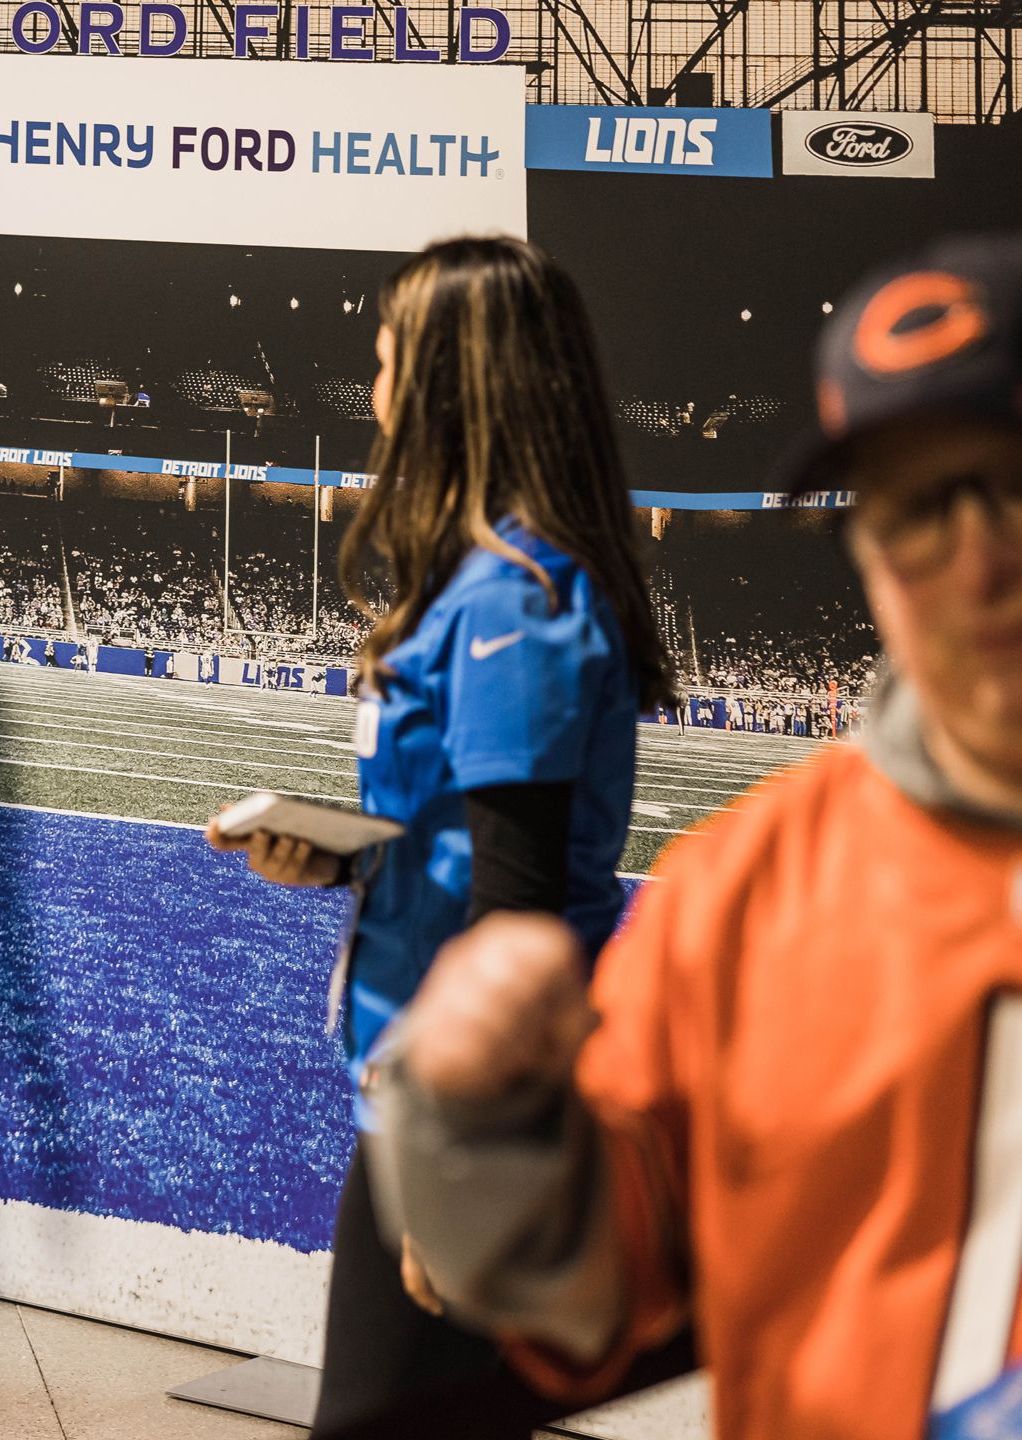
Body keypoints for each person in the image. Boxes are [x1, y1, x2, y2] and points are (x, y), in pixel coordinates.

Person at [364, 233, 1022, 1440]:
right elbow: (606, 1270)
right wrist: (470, 1142)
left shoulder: (522, 600)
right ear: (867, 552)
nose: (983, 556)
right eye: (919, 508)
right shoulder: (745, 892)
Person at [202, 236, 686, 1438]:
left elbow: (519, 910)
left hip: (468, 1092)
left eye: (386, 359)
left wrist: (465, 1171)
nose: (371, 390)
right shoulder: (482, 578)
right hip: (429, 1079)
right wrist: (343, 854)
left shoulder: (513, 599)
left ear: (450, 383)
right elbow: (468, 844)